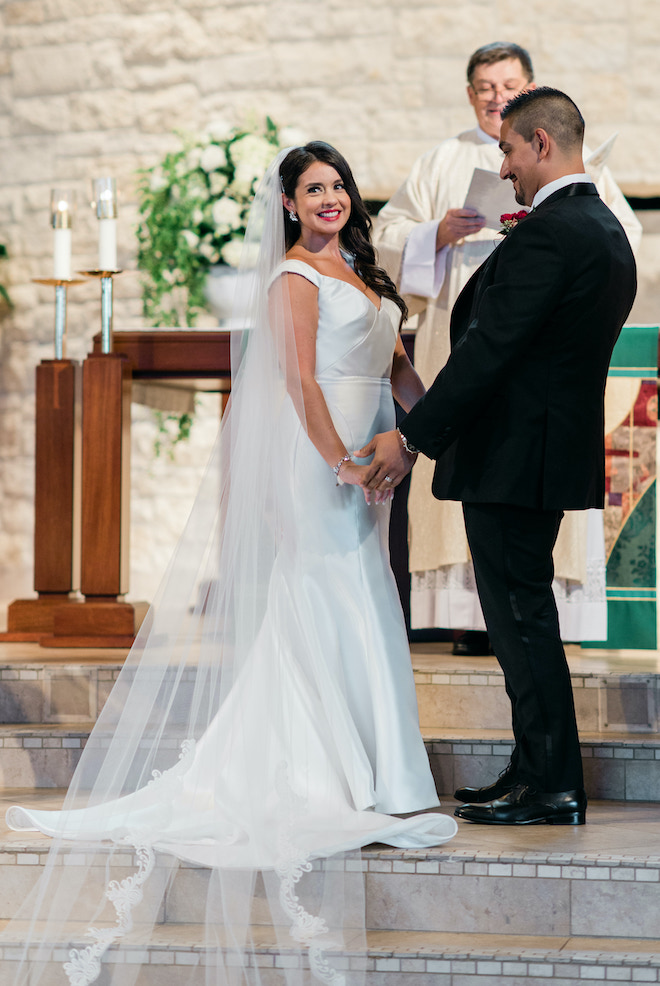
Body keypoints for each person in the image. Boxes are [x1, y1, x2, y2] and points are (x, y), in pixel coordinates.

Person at [3, 143, 457, 986]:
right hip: (321, 459)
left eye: (339, 186)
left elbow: (397, 371)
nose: (331, 198)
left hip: (372, 457)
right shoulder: (293, 279)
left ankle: (379, 766)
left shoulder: (364, 273)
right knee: (332, 597)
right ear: (288, 204)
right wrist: (340, 466)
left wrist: (440, 428)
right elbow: (299, 383)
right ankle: (339, 770)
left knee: (364, 598)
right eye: (313, 189)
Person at [357, 88, 637, 824]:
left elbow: (488, 353)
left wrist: (413, 437)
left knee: (521, 622)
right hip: (537, 455)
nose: (504, 167)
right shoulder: (600, 227)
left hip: (515, 457)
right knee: (520, 621)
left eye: (510, 150)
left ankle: (552, 784)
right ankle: (532, 768)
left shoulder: (554, 232)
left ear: (542, 143)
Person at [373, 42, 642, 653]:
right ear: (470, 94)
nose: (497, 97)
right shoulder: (441, 160)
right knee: (507, 573)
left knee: (524, 598)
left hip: (523, 387)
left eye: (509, 85)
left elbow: (619, 244)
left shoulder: (576, 181)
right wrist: (434, 235)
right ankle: (472, 621)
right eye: (486, 87)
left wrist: (412, 437)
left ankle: (543, 741)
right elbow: (386, 237)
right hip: (468, 349)